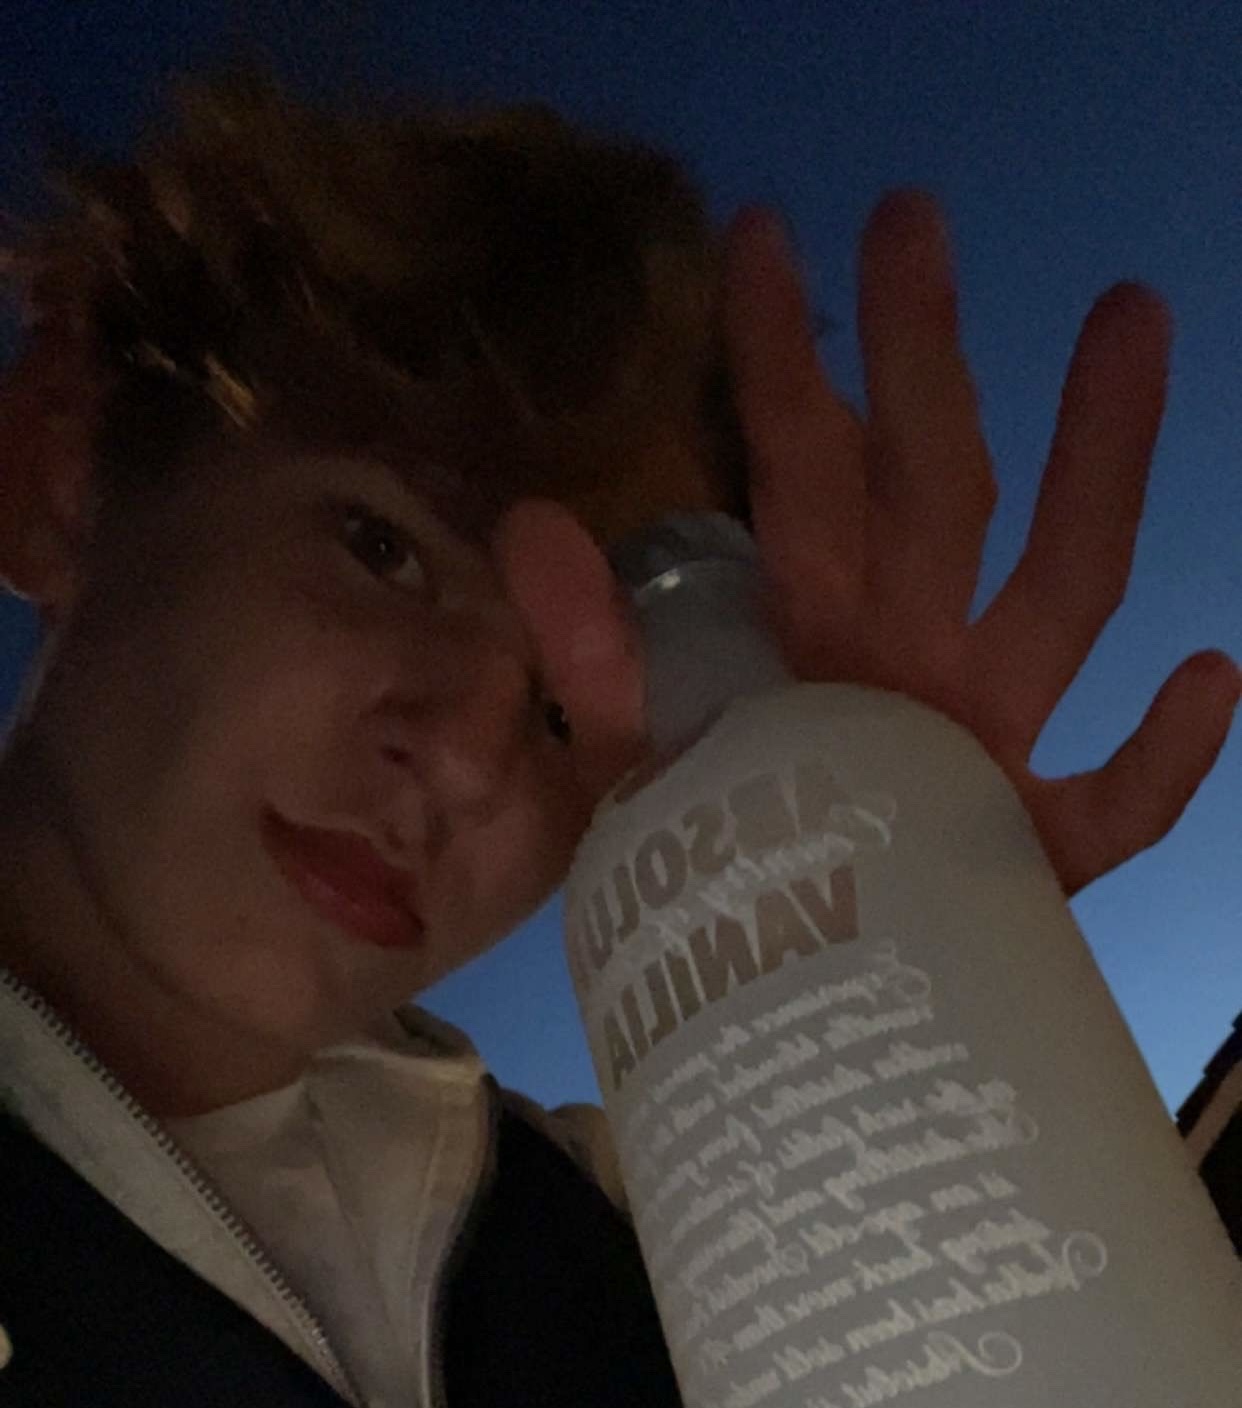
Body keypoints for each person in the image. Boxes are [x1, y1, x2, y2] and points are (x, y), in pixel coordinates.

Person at [0, 73, 1236, 1408]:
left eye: (558, 715)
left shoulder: (628, 1238)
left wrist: (923, 985)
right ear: (63, 466)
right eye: (383, 548)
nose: (469, 761)